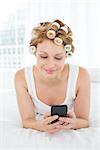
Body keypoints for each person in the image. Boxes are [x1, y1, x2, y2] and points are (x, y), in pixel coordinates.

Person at [14, 19, 90, 134]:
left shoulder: (81, 76)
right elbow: (27, 121)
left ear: (66, 55)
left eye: (58, 58)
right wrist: (40, 126)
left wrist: (73, 123)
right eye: (43, 56)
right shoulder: (21, 78)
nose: (50, 65)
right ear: (34, 53)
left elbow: (83, 121)